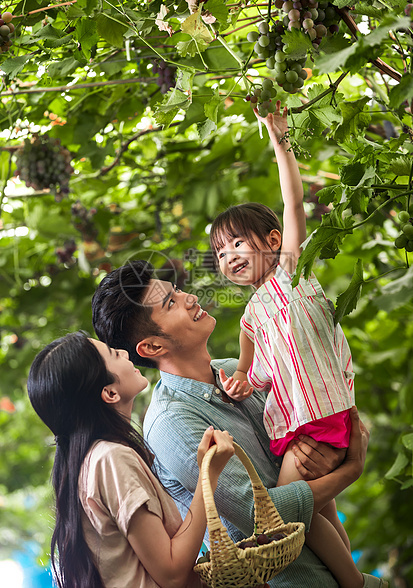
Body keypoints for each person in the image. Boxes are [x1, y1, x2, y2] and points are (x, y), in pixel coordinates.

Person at [91, 259, 380, 588]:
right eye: (171, 303)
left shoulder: (237, 370)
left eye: (178, 291)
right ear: (153, 346)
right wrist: (350, 471)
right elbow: (263, 515)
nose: (190, 298)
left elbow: (309, 442)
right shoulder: (171, 422)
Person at [208, 104, 383, 588]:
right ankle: (357, 578)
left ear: (273, 241)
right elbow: (256, 368)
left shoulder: (289, 274)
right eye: (221, 253)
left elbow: (292, 202)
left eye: (238, 244)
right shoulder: (253, 314)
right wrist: (242, 375)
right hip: (295, 424)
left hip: (319, 419)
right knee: (320, 508)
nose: (229, 257)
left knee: (284, 516)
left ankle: (353, 582)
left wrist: (280, 139)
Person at [27, 331, 235, 588]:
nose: (125, 353)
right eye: (114, 354)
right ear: (110, 393)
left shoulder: (91, 462)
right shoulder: (111, 458)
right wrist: (208, 475)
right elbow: (172, 574)